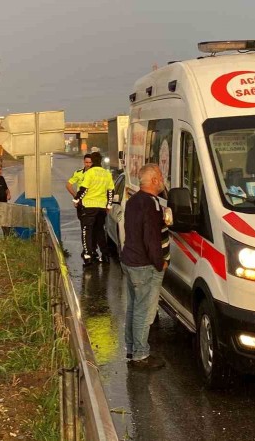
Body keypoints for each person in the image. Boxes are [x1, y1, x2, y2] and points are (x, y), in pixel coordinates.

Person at [121, 163, 170, 370]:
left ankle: (132, 349)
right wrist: (160, 262)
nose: (162, 180)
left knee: (133, 307)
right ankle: (141, 356)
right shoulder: (151, 204)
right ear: (153, 180)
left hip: (130, 261)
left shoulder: (133, 201)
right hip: (144, 265)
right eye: (160, 176)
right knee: (144, 310)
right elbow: (151, 238)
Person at [72, 152, 114, 266]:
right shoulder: (107, 174)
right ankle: (105, 256)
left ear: (93, 161)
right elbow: (110, 191)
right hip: (101, 207)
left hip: (89, 206)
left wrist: (76, 200)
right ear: (100, 161)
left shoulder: (89, 173)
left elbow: (84, 189)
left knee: (87, 231)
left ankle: (88, 256)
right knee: (100, 231)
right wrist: (109, 205)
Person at [67, 155, 93, 253]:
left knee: (95, 229)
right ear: (83, 162)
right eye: (86, 162)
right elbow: (68, 185)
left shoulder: (96, 174)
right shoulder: (78, 173)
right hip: (82, 204)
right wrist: (75, 196)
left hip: (94, 203)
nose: (88, 164)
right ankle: (87, 250)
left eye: (90, 162)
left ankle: (92, 249)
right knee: (85, 228)